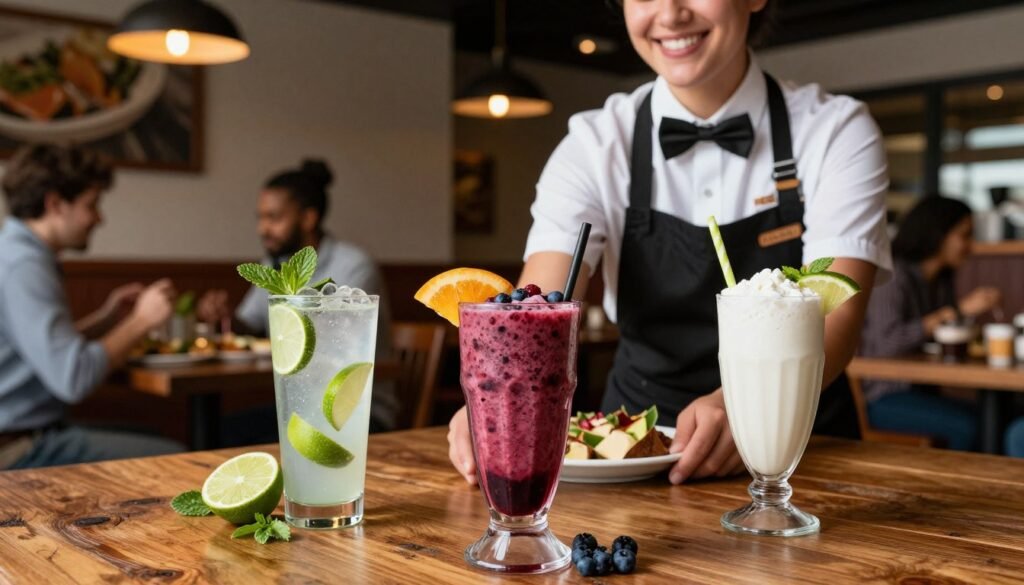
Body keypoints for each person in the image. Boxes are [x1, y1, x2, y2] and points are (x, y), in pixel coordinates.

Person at [448, 0, 892, 486]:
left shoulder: (835, 131)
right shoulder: (593, 144)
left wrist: (742, 407)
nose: (670, 13)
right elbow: (537, 309)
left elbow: (838, 315)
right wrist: (499, 404)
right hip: (632, 451)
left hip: (802, 456)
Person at [0, 143, 182, 469]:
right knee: (177, 456)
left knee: (156, 436)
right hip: (17, 447)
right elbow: (74, 378)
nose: (99, 218)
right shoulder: (24, 266)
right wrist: (141, 321)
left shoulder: (16, 254)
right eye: (92, 204)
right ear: (55, 203)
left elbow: (39, 353)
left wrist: (107, 320)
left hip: (31, 432)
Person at [197, 159, 397, 432]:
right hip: (301, 407)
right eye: (261, 218)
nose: (262, 229)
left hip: (357, 412)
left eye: (274, 218)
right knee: (218, 430)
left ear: (308, 218)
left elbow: (335, 343)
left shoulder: (353, 266)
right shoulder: (276, 266)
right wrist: (225, 316)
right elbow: (249, 325)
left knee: (226, 434)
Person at [860, 196, 1002, 450]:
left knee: (995, 417)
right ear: (939, 235)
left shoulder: (940, 280)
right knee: (972, 425)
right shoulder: (892, 276)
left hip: (923, 390)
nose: (970, 246)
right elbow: (887, 343)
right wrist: (953, 312)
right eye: (964, 235)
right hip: (882, 395)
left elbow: (943, 335)